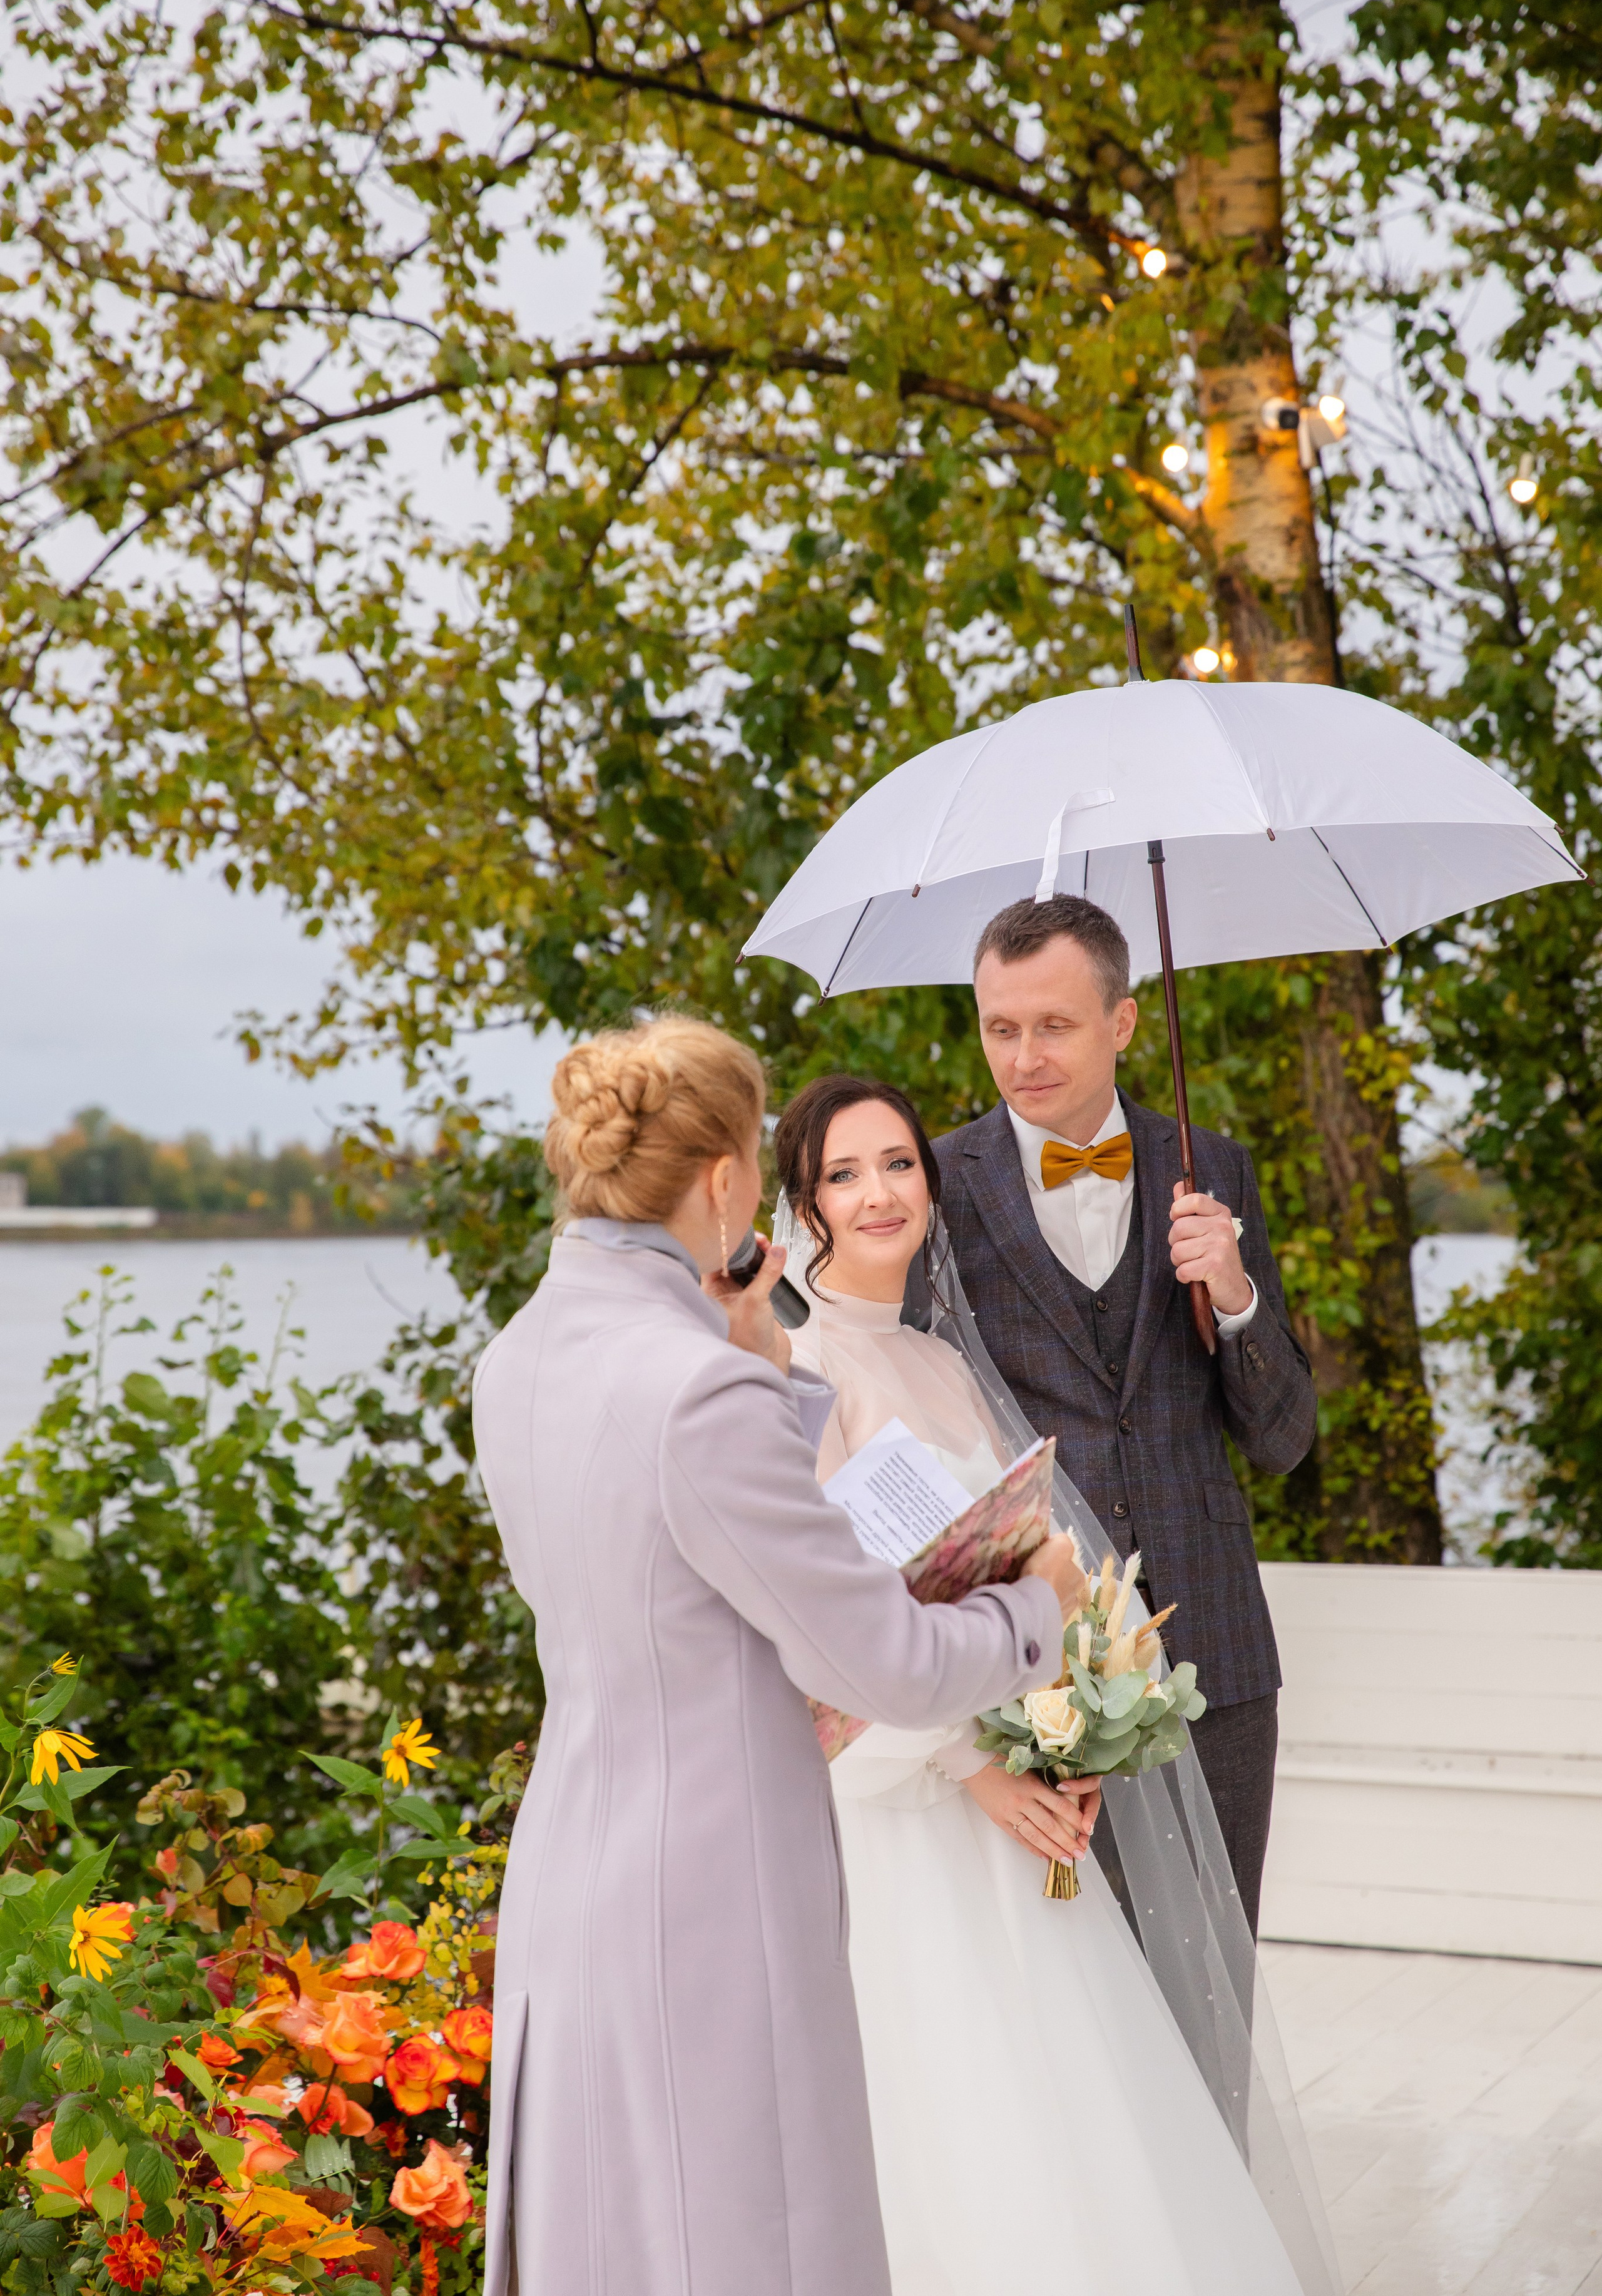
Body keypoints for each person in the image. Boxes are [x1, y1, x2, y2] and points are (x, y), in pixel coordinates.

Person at [471, 1016, 1085, 2296]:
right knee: (757, 2245)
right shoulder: (694, 1395)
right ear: (725, 1180)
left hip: (568, 1869)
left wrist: (761, 1368)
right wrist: (1041, 1607)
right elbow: (888, 1668)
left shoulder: (518, 1359)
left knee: (619, 2251)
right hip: (709, 1883)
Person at [773, 1074, 1336, 2296]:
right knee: (951, 2120)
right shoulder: (798, 1377)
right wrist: (970, 1767)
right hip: (907, 1816)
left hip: (1023, 1797)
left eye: (895, 1164)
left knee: (1087, 2118)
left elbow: (1028, 1562)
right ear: (798, 1205)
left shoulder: (936, 1358)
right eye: (839, 1173)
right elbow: (817, 1634)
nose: (876, 1192)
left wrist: (1065, 1734)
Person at [931, 893, 1318, 1934]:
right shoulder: (929, 1187)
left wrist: (1234, 1298)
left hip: (1218, 1653)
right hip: (1032, 1663)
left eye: (1052, 1024)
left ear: (1125, 1021)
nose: (1022, 1058)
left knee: (1212, 1976)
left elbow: (1284, 1440)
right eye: (999, 1027)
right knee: (1075, 2003)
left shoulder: (1215, 1168)